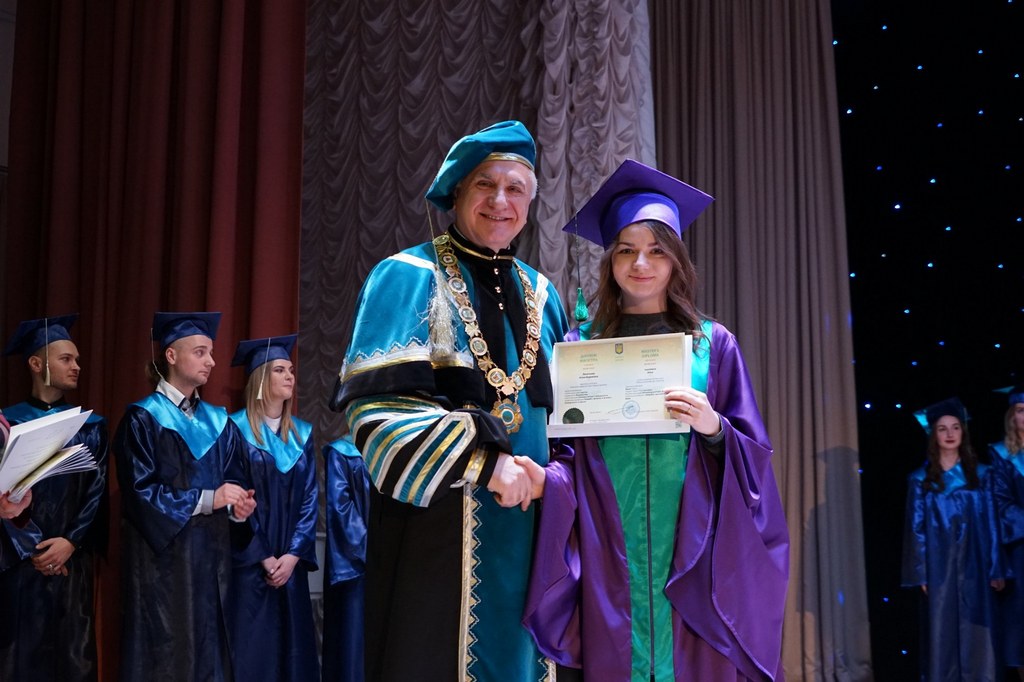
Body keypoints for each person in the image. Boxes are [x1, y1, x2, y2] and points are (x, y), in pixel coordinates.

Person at [519, 159, 790, 680]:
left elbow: (754, 460)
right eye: (626, 250)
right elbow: (567, 454)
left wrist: (715, 428)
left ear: (675, 261)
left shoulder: (712, 345)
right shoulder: (580, 347)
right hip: (607, 541)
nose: (640, 263)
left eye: (656, 250)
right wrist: (544, 479)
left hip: (692, 545)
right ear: (610, 261)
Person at [330, 120, 569, 681]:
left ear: (530, 205)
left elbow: (568, 420)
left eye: (515, 188)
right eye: (485, 184)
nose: (500, 201)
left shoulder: (544, 294)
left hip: (533, 529)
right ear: (457, 192)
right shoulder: (407, 277)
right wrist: (485, 463)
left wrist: (555, 480)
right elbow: (377, 414)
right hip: (438, 533)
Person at [114, 311, 256, 682]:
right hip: (162, 569)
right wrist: (209, 498)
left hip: (212, 563)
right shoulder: (143, 419)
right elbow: (140, 494)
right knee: (167, 656)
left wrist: (238, 508)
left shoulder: (220, 422)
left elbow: (234, 481)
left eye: (211, 352)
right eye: (200, 352)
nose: (211, 361)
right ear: (171, 356)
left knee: (211, 654)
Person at [0, 314, 108, 682]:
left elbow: (96, 491)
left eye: (77, 359)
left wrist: (70, 543)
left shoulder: (91, 427)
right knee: (19, 660)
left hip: (71, 562)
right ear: (36, 363)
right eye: (66, 359)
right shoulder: (7, 424)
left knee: (73, 660)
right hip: (19, 564)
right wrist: (31, 546)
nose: (76, 366)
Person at [226, 334, 319, 682]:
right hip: (251, 564)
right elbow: (235, 498)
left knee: (293, 652)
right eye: (280, 370)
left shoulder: (302, 434)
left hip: (290, 567)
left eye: (291, 370)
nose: (290, 376)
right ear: (261, 379)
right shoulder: (234, 430)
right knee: (254, 652)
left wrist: (292, 556)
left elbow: (310, 499)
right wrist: (264, 556)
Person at [902, 397, 1007, 680]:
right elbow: (916, 529)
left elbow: (993, 523)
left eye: (955, 427)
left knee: (979, 629)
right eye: (942, 428)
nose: (950, 434)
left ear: (963, 432)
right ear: (933, 435)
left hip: (977, 562)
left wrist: (996, 567)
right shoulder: (920, 480)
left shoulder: (983, 475)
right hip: (940, 566)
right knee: (942, 628)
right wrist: (921, 572)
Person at [320, 433, 371, 682]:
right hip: (357, 566)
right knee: (354, 644)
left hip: (391, 563)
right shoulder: (342, 452)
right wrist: (375, 551)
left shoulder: (393, 449)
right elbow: (341, 509)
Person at [990, 387, 1024, 680]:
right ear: (1012, 416)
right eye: (1021, 411)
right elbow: (1001, 502)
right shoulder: (1001, 454)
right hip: (1021, 547)